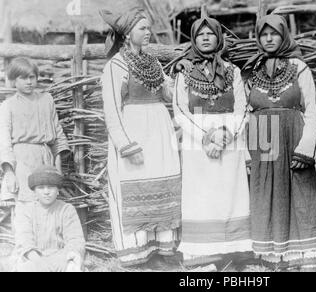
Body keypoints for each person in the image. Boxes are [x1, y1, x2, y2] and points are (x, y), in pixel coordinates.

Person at [241, 15, 316, 271]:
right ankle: (273, 256)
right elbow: (244, 113)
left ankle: (303, 256)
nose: (269, 39)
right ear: (258, 38)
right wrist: (248, 153)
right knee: (268, 191)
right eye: (263, 34)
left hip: (294, 136)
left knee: (299, 191)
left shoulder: (299, 66)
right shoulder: (252, 70)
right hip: (262, 139)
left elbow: (312, 109)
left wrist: (306, 148)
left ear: (283, 36)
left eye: (274, 34)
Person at [100, 8, 182, 267]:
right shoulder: (115, 66)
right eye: (142, 29)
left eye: (149, 28)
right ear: (127, 34)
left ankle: (161, 248)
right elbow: (111, 110)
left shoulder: (154, 63)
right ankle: (137, 253)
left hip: (159, 132)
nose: (148, 33)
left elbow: (169, 95)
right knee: (135, 187)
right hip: (134, 133)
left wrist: (181, 77)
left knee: (161, 183)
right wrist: (126, 145)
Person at [173, 16, 252, 266]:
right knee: (201, 194)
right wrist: (207, 137)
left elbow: (243, 108)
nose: (205, 38)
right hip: (198, 142)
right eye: (200, 35)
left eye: (210, 34)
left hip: (230, 142)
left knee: (230, 192)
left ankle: (232, 249)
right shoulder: (184, 72)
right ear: (194, 39)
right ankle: (202, 253)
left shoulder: (233, 71)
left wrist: (224, 136)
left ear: (219, 38)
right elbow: (179, 109)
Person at [0, 57, 70, 204]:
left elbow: (57, 135)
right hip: (22, 162)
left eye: (32, 77)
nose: (29, 82)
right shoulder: (8, 106)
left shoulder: (46, 100)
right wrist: (9, 172)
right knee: (25, 206)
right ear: (14, 80)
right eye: (23, 78)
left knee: (47, 207)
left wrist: (57, 169)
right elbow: (4, 142)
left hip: (46, 160)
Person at [12, 166, 85, 272]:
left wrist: (63, 258)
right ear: (34, 191)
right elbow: (24, 240)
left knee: (73, 266)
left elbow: (75, 239)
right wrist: (40, 262)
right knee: (26, 267)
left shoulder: (67, 209)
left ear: (58, 190)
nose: (46, 192)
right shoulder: (25, 211)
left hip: (60, 256)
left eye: (51, 187)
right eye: (41, 187)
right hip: (33, 258)